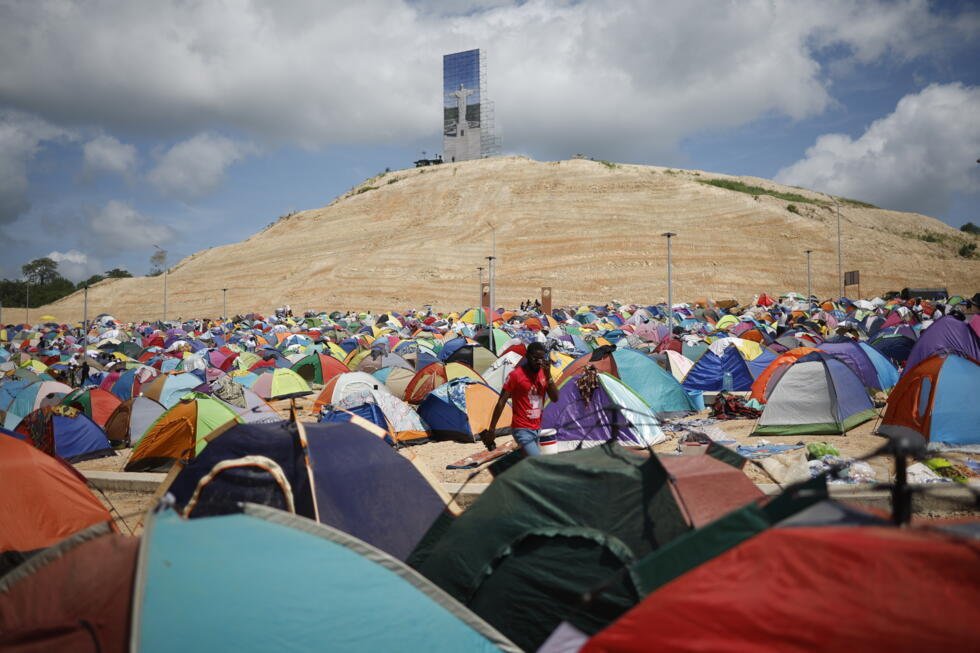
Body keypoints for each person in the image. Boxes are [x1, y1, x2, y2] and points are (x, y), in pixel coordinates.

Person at [482, 341, 559, 456]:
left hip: (537, 428)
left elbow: (555, 398)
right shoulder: (515, 375)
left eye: (541, 359)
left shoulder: (544, 374)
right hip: (521, 428)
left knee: (529, 461)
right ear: (527, 356)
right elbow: (501, 402)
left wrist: (549, 376)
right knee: (537, 461)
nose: (538, 362)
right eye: (535, 358)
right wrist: (492, 429)